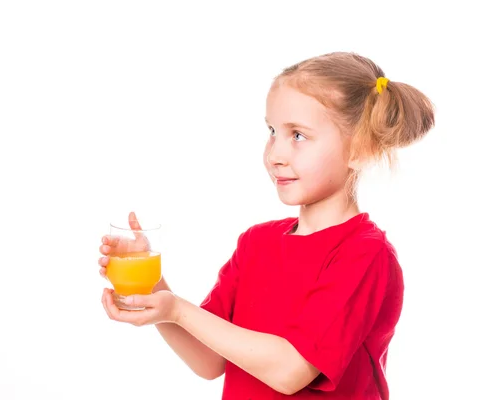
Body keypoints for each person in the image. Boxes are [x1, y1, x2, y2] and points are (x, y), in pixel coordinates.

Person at [98, 51, 435, 399]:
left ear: (360, 150)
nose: (275, 153)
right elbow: (209, 360)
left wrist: (178, 310)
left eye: (298, 136)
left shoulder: (364, 255)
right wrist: (152, 286)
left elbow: (291, 371)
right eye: (272, 131)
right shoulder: (256, 243)